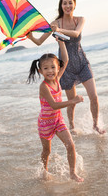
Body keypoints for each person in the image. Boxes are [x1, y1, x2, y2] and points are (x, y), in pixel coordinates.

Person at [28, 0, 105, 134]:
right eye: (65, 3)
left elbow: (76, 33)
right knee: (72, 101)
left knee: (94, 96)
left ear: (74, 4)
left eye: (70, 3)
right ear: (61, 6)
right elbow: (39, 42)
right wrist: (31, 36)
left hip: (82, 62)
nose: (68, 6)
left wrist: (58, 30)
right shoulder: (56, 23)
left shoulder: (80, 19)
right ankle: (71, 126)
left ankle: (95, 125)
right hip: (65, 66)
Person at [27, 39, 84, 182]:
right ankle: (43, 172)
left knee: (70, 145)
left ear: (58, 67)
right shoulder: (44, 87)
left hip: (58, 120)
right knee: (47, 151)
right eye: (45, 68)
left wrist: (61, 43)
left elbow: (65, 58)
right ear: (40, 71)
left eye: (53, 67)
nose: (50, 71)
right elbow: (53, 105)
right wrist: (72, 101)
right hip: (45, 123)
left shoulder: (58, 78)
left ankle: (72, 173)